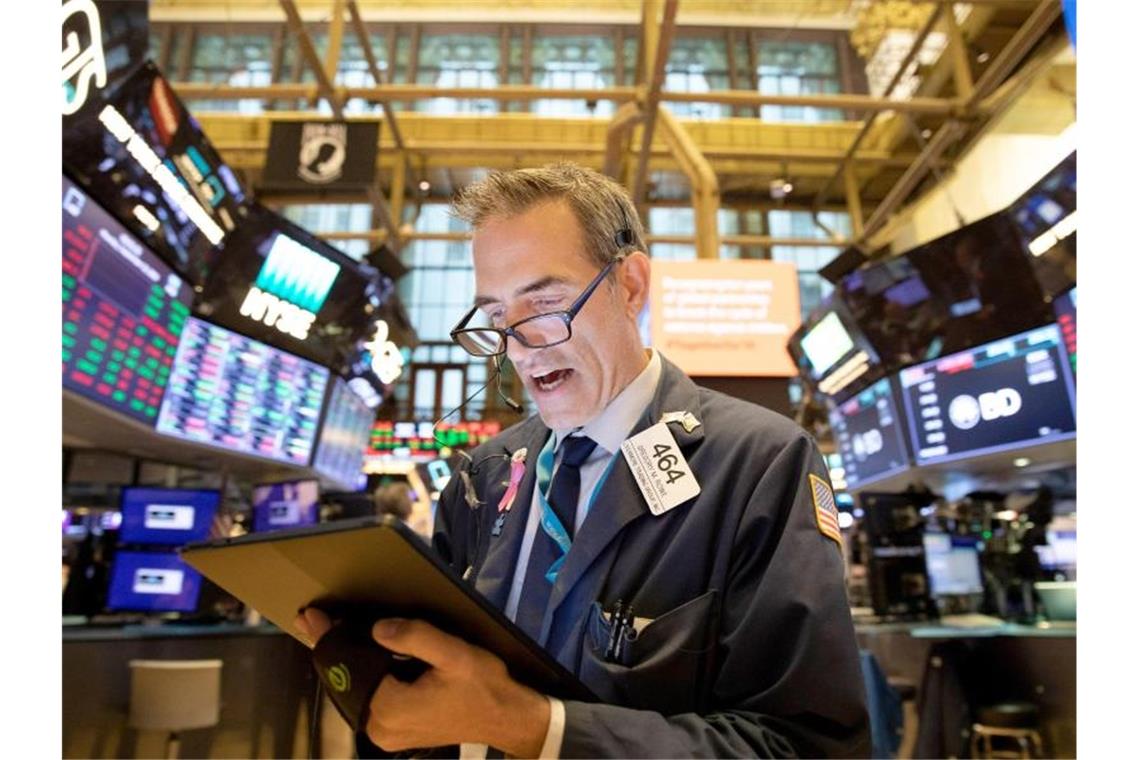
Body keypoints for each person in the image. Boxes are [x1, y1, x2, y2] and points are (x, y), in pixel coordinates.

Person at [297, 163, 870, 758]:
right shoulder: (484, 477)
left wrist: (538, 730)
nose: (520, 348)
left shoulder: (757, 466)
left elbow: (804, 745)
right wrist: (375, 675)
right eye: (497, 318)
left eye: (545, 306)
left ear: (630, 286)